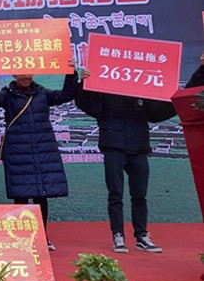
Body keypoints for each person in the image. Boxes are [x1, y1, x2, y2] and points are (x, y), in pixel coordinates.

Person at [75, 71, 176, 253]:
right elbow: (85, 103)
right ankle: (118, 235)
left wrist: (173, 92)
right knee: (115, 194)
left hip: (139, 147)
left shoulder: (142, 89)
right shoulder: (104, 90)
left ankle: (141, 236)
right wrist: (83, 82)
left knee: (140, 196)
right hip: (114, 147)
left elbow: (157, 113)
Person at [0, 59, 79, 251]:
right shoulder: (7, 95)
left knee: (41, 195)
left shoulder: (43, 93)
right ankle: (21, 237)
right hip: (18, 153)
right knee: (21, 196)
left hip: (42, 151)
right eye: (21, 73)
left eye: (29, 73)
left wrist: (71, 73)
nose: (26, 77)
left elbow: (66, 95)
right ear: (13, 75)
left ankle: (42, 236)